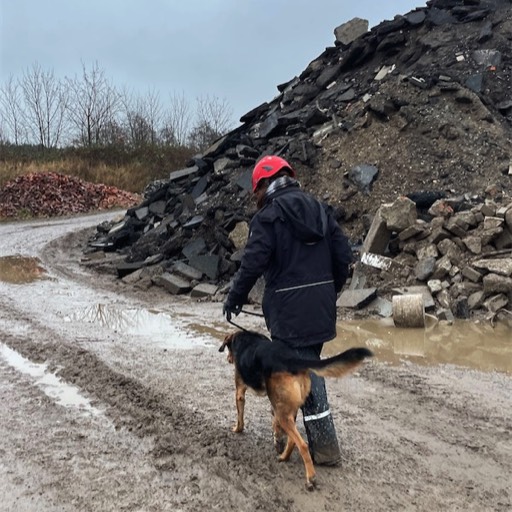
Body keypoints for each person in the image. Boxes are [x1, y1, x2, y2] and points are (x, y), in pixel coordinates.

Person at [223, 155, 354, 466]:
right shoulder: (320, 209)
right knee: (307, 367)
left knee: (287, 376)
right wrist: (328, 291)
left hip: (287, 314)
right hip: (320, 310)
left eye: (255, 191)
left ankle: (306, 441)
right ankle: (318, 444)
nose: (254, 198)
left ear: (265, 184)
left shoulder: (267, 217)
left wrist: (234, 298)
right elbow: (344, 256)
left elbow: (252, 262)